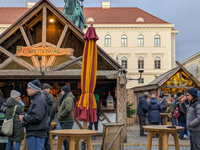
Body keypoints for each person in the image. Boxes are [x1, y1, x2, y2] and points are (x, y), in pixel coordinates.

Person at [19, 79, 48, 150]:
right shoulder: (37, 99)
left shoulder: (38, 100)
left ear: (34, 89)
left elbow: (37, 117)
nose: (26, 90)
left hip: (36, 134)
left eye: (29, 88)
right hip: (35, 133)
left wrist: (24, 118)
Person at [57, 85, 75, 150]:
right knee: (65, 139)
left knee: (66, 139)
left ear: (64, 91)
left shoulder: (68, 98)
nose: (61, 92)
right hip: (65, 120)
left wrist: (61, 115)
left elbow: (68, 109)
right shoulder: (66, 98)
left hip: (67, 120)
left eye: (62, 91)